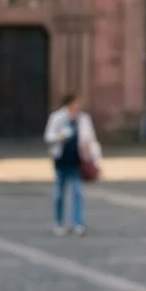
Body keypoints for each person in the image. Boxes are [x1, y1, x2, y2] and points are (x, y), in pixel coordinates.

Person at [45, 92, 101, 235]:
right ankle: (58, 222)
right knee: (59, 194)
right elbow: (48, 136)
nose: (78, 106)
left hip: (78, 161)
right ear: (68, 104)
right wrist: (59, 137)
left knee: (77, 193)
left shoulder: (83, 119)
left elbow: (91, 139)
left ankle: (78, 223)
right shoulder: (57, 117)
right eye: (75, 103)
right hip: (61, 160)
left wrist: (95, 157)